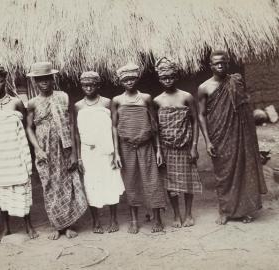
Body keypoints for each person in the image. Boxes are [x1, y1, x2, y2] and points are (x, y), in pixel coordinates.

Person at [198, 50, 267, 225]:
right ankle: (225, 211)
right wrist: (207, 141)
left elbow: (245, 108)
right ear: (211, 66)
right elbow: (201, 115)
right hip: (219, 134)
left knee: (242, 170)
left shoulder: (235, 81)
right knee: (223, 174)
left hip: (239, 134)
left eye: (223, 63)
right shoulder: (204, 88)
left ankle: (243, 210)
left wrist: (248, 136)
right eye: (216, 63)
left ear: (227, 64)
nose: (220, 66)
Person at [26, 62, 87, 240]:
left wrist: (74, 152)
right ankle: (55, 225)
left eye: (47, 79)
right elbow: (29, 128)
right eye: (40, 80)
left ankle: (68, 225)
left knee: (67, 184)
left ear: (52, 79)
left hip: (64, 147)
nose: (44, 82)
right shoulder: (32, 103)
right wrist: (37, 149)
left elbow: (72, 124)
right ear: (35, 82)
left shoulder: (63, 97)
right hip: (45, 149)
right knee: (49, 185)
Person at [0, 66, 37, 241]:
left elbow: (27, 127)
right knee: (3, 189)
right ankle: (7, 227)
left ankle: (28, 225)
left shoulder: (16, 102)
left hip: (16, 151)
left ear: (5, 81)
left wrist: (29, 153)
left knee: (22, 186)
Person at [112, 63, 166, 234]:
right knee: (131, 182)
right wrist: (116, 153)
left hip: (146, 145)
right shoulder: (117, 100)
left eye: (132, 78)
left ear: (137, 79)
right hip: (126, 147)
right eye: (125, 79)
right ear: (121, 81)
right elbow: (114, 127)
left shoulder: (146, 98)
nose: (129, 82)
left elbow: (154, 124)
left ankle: (157, 218)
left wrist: (158, 149)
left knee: (152, 181)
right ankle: (134, 220)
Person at [154, 58, 202, 228]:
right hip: (167, 147)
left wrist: (194, 146)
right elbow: (156, 128)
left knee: (188, 181)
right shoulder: (157, 101)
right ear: (159, 79)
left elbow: (195, 121)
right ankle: (176, 215)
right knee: (171, 183)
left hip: (186, 146)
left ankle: (188, 214)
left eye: (171, 77)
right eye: (164, 78)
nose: (168, 80)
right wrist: (159, 150)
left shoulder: (186, 97)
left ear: (176, 77)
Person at [75, 71, 125, 234]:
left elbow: (113, 128)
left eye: (91, 84)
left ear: (98, 85)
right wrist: (79, 158)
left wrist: (116, 153)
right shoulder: (78, 106)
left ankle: (113, 219)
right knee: (91, 184)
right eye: (85, 85)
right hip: (88, 152)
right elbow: (76, 133)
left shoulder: (106, 103)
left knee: (110, 182)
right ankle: (96, 222)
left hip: (106, 150)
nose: (88, 88)